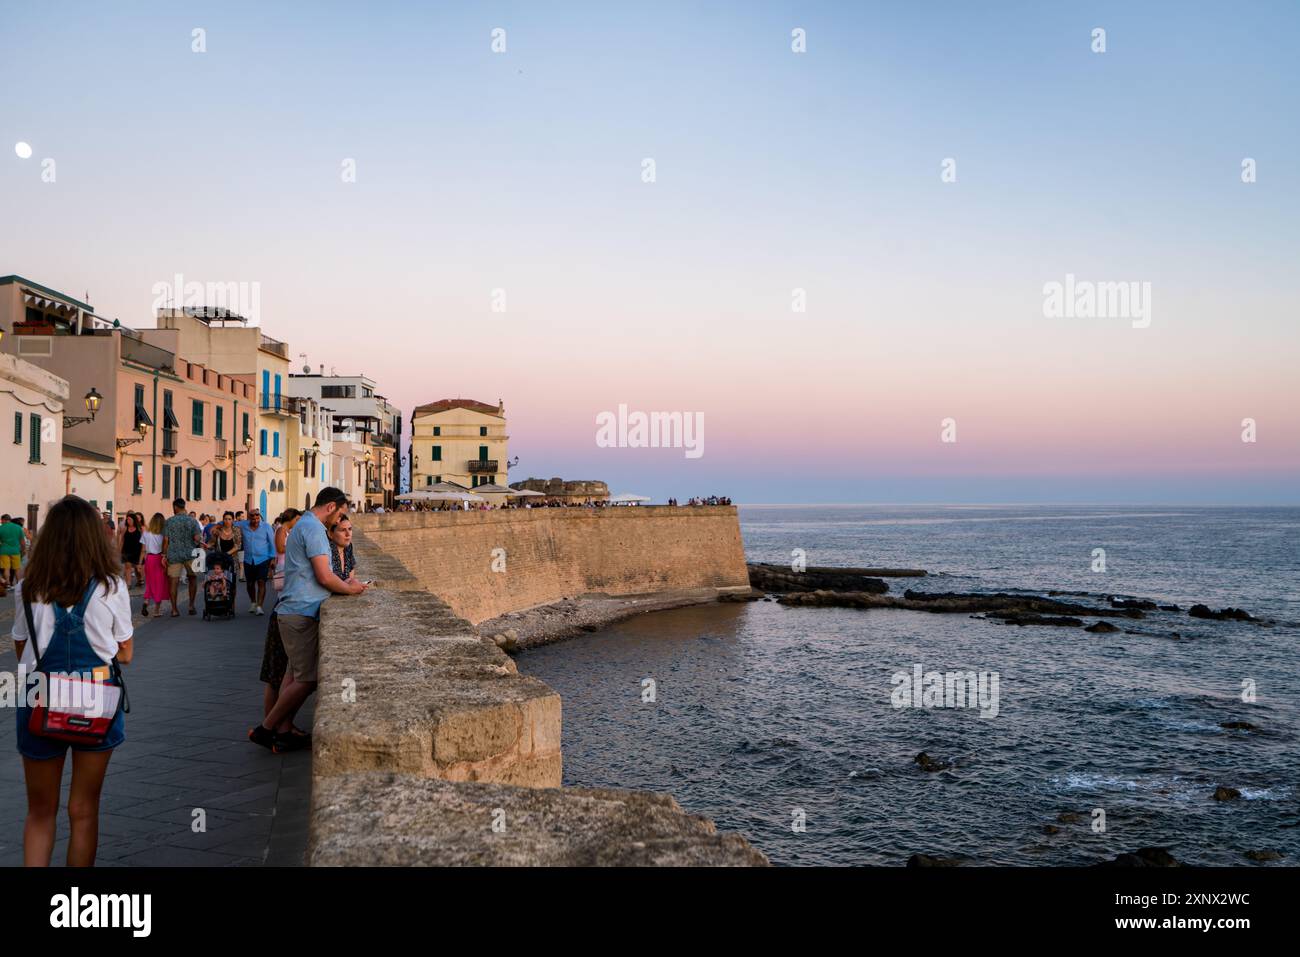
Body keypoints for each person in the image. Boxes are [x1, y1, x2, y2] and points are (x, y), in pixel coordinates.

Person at [11, 495, 134, 867]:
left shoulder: (28, 586)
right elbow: (125, 653)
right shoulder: (111, 586)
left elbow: (22, 650)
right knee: (83, 810)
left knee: (39, 811)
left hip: (40, 697)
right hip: (94, 700)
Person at [249, 488, 365, 753]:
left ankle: (284, 730)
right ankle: (265, 730)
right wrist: (351, 589)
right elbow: (324, 576)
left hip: (295, 610)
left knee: (293, 675)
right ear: (332, 506)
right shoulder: (313, 529)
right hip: (299, 612)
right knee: (308, 679)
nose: (340, 521)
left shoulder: (306, 526)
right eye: (341, 515)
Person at [259, 509, 302, 740]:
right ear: (291, 519)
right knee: (276, 676)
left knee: (277, 675)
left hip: (284, 607)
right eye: (296, 521)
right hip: (283, 607)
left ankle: (276, 724)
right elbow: (281, 549)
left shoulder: (288, 531)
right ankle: (272, 724)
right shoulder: (281, 530)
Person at [161, 498, 203, 617]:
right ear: (184, 506)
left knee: (173, 582)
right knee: (192, 578)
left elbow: (165, 540)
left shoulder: (169, 521)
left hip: (173, 554)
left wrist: (163, 555)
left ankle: (174, 609)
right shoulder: (192, 521)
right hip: (190, 554)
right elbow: (196, 538)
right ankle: (191, 605)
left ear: (175, 507)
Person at [240, 509, 276, 615]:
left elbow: (272, 543)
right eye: (253, 518)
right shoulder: (244, 525)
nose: (255, 520)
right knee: (250, 583)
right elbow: (230, 523)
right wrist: (216, 526)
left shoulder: (266, 527)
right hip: (248, 559)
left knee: (261, 582)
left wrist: (273, 558)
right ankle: (253, 603)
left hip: (263, 559)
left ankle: (260, 606)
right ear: (249, 518)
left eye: (257, 518)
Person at [139, 513, 167, 617]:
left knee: (149, 583)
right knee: (159, 584)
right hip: (159, 559)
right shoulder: (163, 535)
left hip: (149, 559)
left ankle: (146, 601)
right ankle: (156, 610)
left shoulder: (146, 533)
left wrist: (139, 563)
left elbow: (142, 550)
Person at [117, 513, 143, 590]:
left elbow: (143, 541)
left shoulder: (139, 529)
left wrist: (143, 551)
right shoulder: (125, 529)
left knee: (136, 568)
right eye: (127, 519)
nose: (128, 521)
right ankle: (128, 584)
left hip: (137, 551)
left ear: (133, 520)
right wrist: (119, 550)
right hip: (127, 550)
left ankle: (140, 579)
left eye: (129, 519)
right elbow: (122, 540)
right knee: (127, 567)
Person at [329, 514, 356, 580]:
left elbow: (351, 575)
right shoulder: (326, 550)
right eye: (343, 530)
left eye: (350, 529)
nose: (348, 534)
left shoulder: (348, 547)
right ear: (331, 534)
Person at [0, 514, 23, 586]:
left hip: (4, 550)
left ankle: (8, 583)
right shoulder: (18, 527)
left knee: (6, 568)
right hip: (15, 550)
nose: (1, 522)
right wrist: (24, 549)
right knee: (17, 568)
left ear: (3, 520)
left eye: (1, 521)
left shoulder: (1, 528)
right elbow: (22, 541)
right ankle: (18, 584)